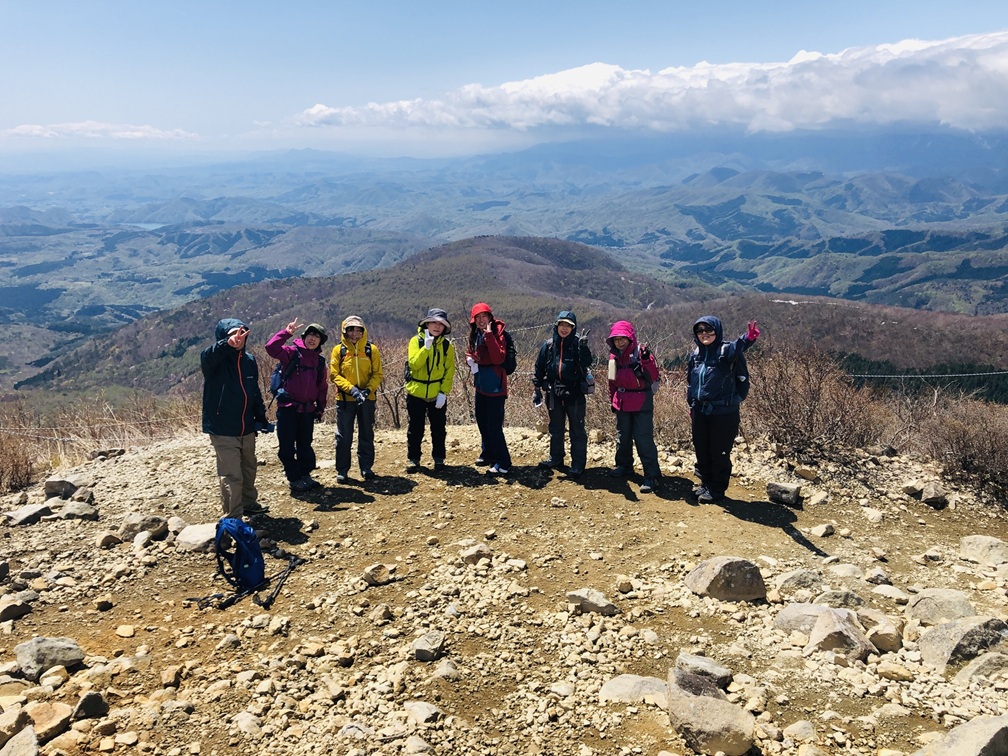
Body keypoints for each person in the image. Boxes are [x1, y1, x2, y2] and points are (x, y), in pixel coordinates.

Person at [201, 318, 270, 518]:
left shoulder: (249, 360)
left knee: (249, 468)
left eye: (241, 334)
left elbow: (254, 391)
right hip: (222, 427)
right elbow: (208, 355)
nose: (238, 338)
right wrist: (226, 345)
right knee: (232, 475)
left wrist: (261, 417)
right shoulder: (213, 361)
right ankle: (233, 516)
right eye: (232, 334)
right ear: (223, 337)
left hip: (247, 426)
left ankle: (248, 503)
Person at [687, 316, 760, 503]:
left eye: (709, 329)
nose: (704, 333)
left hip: (724, 412)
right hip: (700, 410)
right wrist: (691, 404)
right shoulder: (695, 355)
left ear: (717, 331)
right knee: (701, 448)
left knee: (719, 451)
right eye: (700, 330)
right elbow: (691, 382)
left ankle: (717, 489)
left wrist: (748, 338)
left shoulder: (725, 351)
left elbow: (738, 347)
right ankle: (706, 484)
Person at [266, 319, 329, 493]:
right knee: (286, 445)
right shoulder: (292, 353)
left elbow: (322, 386)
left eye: (317, 337)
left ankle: (305, 474)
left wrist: (320, 407)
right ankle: (294, 478)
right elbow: (271, 348)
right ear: (304, 336)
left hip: (308, 409)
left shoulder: (320, 362)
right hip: (288, 408)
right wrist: (286, 332)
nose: (313, 339)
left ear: (320, 342)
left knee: (305, 444)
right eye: (311, 334)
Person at [533, 310, 593, 477]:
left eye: (568, 325)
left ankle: (578, 464)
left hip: (575, 393)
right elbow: (539, 367)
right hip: (554, 393)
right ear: (556, 326)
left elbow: (588, 362)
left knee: (578, 430)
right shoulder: (549, 345)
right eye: (562, 325)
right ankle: (556, 458)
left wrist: (584, 348)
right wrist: (536, 387)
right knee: (556, 428)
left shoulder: (577, 344)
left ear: (573, 328)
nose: (564, 328)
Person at [606, 320, 661, 495]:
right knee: (623, 437)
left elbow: (653, 375)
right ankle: (624, 466)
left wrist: (646, 361)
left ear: (630, 338)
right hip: (621, 400)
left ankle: (652, 475)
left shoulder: (642, 354)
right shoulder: (613, 358)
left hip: (641, 401)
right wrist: (612, 400)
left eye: (623, 338)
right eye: (616, 339)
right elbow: (611, 381)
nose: (619, 342)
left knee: (643, 439)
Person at [330, 315, 383, 482]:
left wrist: (368, 390)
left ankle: (366, 467)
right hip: (345, 400)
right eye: (350, 329)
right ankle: (343, 470)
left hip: (367, 399)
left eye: (358, 329)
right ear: (344, 331)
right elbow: (334, 375)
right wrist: (352, 390)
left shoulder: (371, 350)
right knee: (344, 436)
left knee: (366, 433)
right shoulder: (339, 350)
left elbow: (377, 374)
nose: (354, 333)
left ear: (363, 331)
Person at [405, 308, 456, 472]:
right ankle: (414, 459)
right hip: (416, 392)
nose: (437, 326)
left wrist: (443, 392)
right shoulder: (416, 341)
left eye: (441, 324)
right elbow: (414, 364)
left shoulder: (447, 346)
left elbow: (449, 371)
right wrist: (426, 348)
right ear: (427, 323)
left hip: (437, 393)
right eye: (434, 322)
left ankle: (439, 458)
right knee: (415, 428)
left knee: (439, 428)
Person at [466, 302, 512, 475]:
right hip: (481, 385)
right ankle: (489, 453)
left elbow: (498, 357)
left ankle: (504, 462)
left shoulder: (497, 334)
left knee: (494, 426)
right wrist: (469, 360)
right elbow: (473, 353)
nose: (481, 320)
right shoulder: (474, 334)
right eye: (477, 317)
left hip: (495, 386)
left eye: (484, 316)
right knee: (482, 422)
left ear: (490, 317)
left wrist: (489, 336)